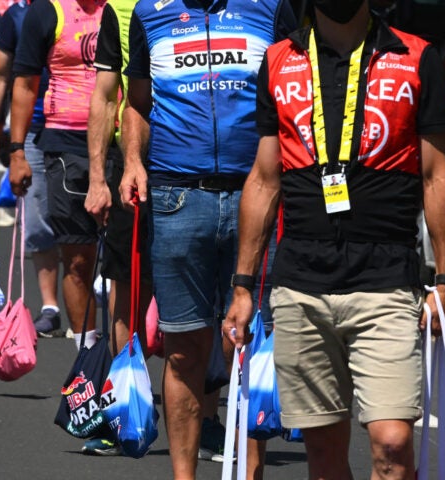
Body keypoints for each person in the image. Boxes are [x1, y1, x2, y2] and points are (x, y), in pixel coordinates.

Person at [224, 1, 445, 479]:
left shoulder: (416, 57)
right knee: (325, 457)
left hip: (386, 279)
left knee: (392, 445)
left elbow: (435, 176)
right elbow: (265, 180)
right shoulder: (279, 60)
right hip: (302, 283)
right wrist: (244, 285)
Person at [120, 0, 295, 477]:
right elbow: (137, 102)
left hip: (256, 194)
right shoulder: (148, 13)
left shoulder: (271, 7)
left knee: (252, 343)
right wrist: (133, 160)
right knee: (184, 350)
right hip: (177, 197)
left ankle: (250, 472)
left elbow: (296, 91)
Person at [8, 0, 108, 352]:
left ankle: (126, 362)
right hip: (67, 143)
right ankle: (88, 360)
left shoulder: (132, 7)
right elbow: (24, 83)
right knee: (79, 261)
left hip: (122, 144)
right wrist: (16, 151)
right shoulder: (47, 11)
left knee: (128, 267)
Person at [83, 0, 153, 454]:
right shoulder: (120, 10)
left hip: (200, 171)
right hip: (131, 165)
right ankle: (122, 409)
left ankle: (208, 419)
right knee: (128, 290)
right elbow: (106, 95)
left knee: (208, 302)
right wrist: (96, 178)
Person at [0, 0, 63, 336]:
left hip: (77, 127)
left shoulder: (83, 10)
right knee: (37, 221)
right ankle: (50, 305)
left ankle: (88, 299)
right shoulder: (15, 16)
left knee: (84, 220)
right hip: (31, 130)